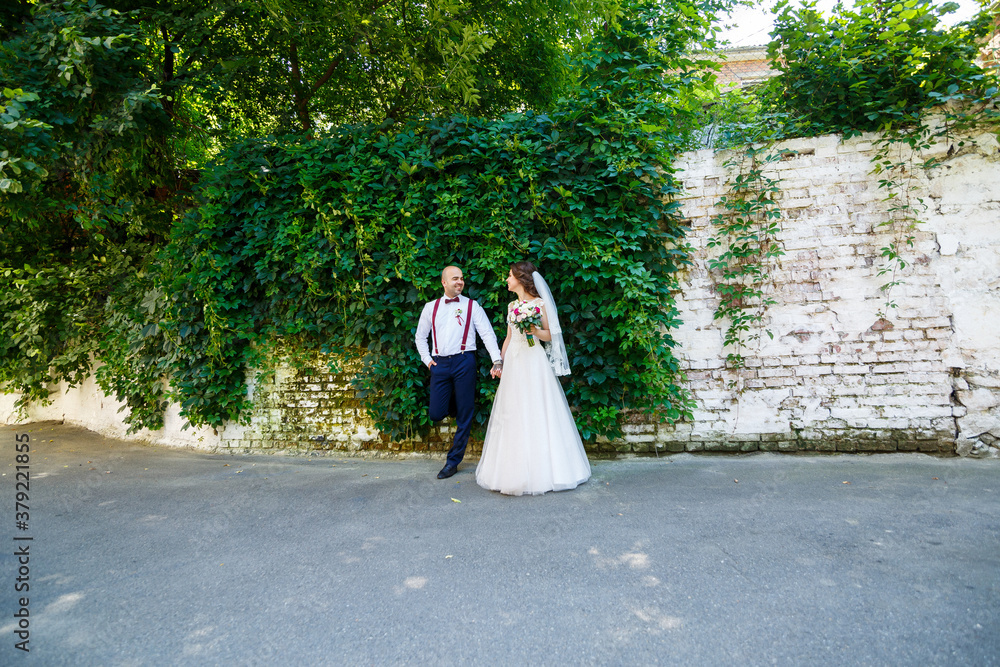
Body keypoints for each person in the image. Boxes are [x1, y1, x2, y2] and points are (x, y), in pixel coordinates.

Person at [476, 261, 591, 495]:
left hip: (534, 361)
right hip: (515, 363)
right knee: (513, 412)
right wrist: (499, 362)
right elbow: (508, 338)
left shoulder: (540, 304)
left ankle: (546, 471)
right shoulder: (511, 306)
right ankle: (513, 471)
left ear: (521, 278)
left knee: (538, 410)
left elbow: (550, 335)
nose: (506, 280)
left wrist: (534, 331)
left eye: (509, 276)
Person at [415, 266, 503, 479]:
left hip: (464, 361)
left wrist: (497, 360)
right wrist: (427, 360)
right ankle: (457, 400)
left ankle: (452, 462)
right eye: (455, 279)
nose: (460, 282)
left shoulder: (472, 306)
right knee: (436, 413)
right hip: (440, 365)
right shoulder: (430, 307)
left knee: (465, 414)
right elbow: (420, 337)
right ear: (444, 282)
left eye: (462, 279)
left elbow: (487, 334)